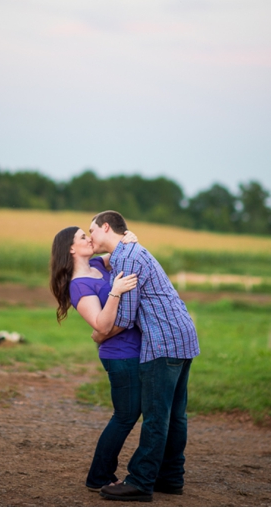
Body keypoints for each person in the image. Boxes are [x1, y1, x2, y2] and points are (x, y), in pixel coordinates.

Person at [89, 210, 200, 503]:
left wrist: (99, 334)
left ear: (107, 227)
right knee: (176, 415)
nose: (90, 237)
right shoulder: (134, 250)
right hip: (183, 335)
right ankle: (171, 478)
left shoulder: (126, 259)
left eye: (92, 231)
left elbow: (124, 318)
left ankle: (140, 481)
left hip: (162, 341)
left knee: (155, 417)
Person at [48, 226, 140, 492]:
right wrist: (116, 292)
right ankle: (99, 476)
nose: (89, 239)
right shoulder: (79, 286)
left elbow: (121, 252)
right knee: (125, 415)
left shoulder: (99, 264)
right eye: (82, 237)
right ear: (71, 249)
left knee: (130, 414)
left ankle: (107, 472)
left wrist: (128, 239)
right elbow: (100, 326)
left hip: (133, 350)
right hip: (120, 355)